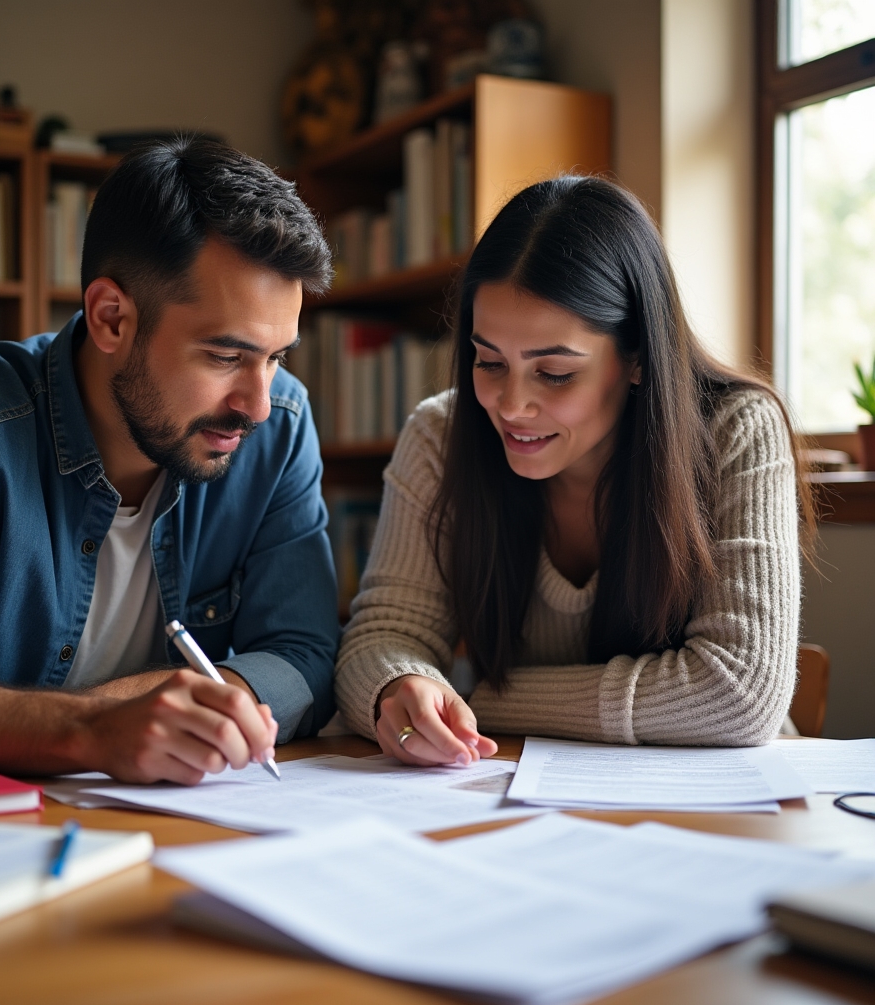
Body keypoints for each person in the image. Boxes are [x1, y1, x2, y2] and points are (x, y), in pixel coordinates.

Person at [0, 136, 341, 782]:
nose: (256, 403)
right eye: (226, 357)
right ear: (111, 318)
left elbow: (304, 652)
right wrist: (92, 729)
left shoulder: (280, 425)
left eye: (276, 357)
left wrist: (160, 711)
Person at [335, 175, 813, 766]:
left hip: (727, 802)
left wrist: (472, 697)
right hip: (526, 799)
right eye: (488, 362)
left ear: (637, 357)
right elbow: (379, 639)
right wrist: (396, 687)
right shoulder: (441, 434)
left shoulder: (737, 429)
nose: (510, 405)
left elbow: (738, 694)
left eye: (554, 373)